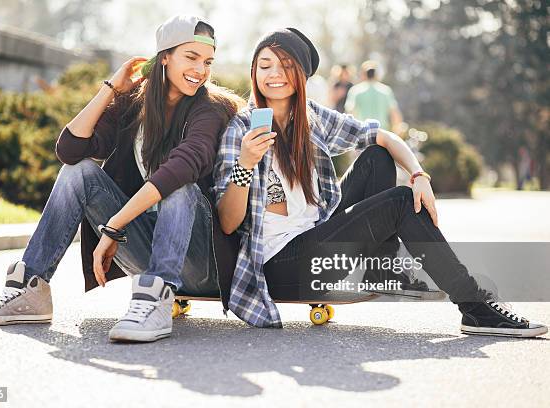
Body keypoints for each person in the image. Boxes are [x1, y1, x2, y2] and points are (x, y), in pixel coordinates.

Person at [213, 27, 548, 337]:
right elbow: (228, 223)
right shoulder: (241, 130)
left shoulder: (310, 119)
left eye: (285, 66)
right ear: (254, 72)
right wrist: (245, 164)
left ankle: (381, 270)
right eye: (264, 65)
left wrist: (419, 175)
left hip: (315, 239)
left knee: (377, 157)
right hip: (280, 269)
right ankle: (474, 307)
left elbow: (383, 135)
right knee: (401, 202)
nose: (273, 74)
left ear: (300, 75)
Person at [0, 15, 243, 343]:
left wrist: (114, 226)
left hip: (199, 261)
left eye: (208, 61)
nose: (201, 69)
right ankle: (32, 289)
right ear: (164, 57)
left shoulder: (210, 109)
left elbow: (184, 166)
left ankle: (156, 299)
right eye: (191, 57)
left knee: (179, 189)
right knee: (78, 172)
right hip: (144, 248)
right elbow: (70, 149)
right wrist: (110, 89)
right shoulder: (135, 104)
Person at [345, 60, 403, 135]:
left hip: (363, 135)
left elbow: (350, 114)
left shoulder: (355, 91)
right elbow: (395, 114)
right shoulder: (385, 90)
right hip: (382, 134)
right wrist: (396, 133)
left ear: (363, 74)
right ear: (376, 74)